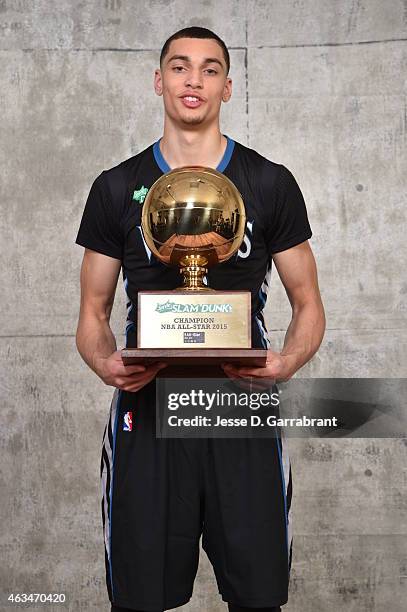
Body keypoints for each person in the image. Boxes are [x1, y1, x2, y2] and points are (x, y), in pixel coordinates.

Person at [75, 26, 325, 612]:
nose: (195, 80)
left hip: (241, 412)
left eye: (210, 69)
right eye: (181, 67)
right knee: (141, 596)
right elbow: (92, 312)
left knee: (259, 595)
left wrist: (287, 360)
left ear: (228, 87)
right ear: (158, 81)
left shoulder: (268, 181)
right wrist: (104, 362)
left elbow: (308, 301)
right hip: (149, 413)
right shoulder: (116, 188)